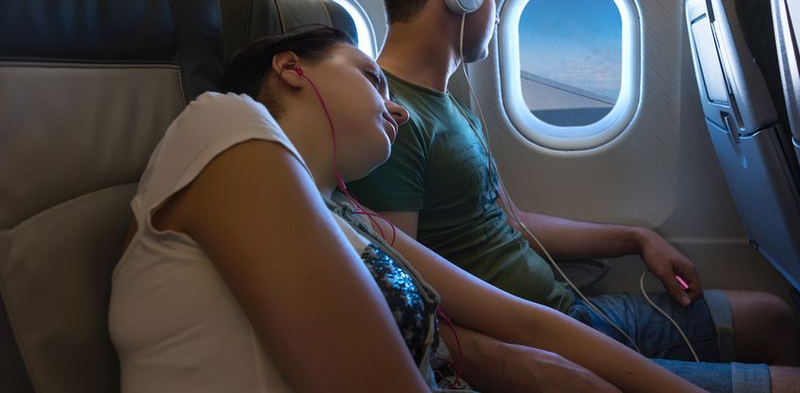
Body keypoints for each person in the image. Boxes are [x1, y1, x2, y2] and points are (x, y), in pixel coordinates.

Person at [346, 0, 800, 392]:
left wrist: (637, 237)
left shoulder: (448, 104)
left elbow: (514, 223)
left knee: (777, 319)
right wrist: (529, 367)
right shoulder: (391, 121)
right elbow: (406, 297)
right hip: (538, 349)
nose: (499, 14)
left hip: (572, 318)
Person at [109, 25, 713, 393]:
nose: (396, 108)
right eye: (373, 79)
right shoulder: (225, 124)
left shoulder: (348, 215)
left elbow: (526, 322)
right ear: (292, 68)